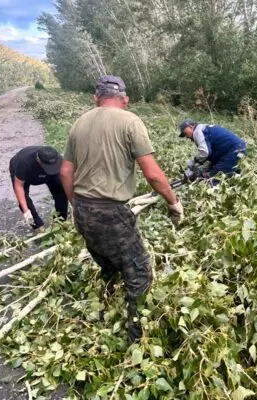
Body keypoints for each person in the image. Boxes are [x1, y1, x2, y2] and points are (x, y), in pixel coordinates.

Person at [60, 75, 184, 342]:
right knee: (138, 271)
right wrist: (173, 202)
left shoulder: (79, 123)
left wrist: (75, 205)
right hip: (111, 211)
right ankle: (136, 338)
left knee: (106, 261)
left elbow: (66, 170)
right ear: (125, 99)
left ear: (96, 98)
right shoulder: (130, 121)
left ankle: (105, 302)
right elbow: (152, 174)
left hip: (82, 207)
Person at [9, 146, 68, 231]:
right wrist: (26, 211)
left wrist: (74, 202)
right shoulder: (24, 162)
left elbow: (66, 178)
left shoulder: (57, 159)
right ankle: (38, 227)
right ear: (38, 161)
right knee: (24, 199)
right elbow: (19, 186)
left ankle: (60, 222)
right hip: (27, 174)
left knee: (61, 192)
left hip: (49, 176)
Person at [179, 119, 247, 181]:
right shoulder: (204, 128)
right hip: (238, 149)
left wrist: (194, 161)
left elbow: (205, 153)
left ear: (191, 126)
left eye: (185, 133)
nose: (187, 136)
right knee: (234, 176)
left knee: (212, 178)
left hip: (234, 151)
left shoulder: (197, 132)